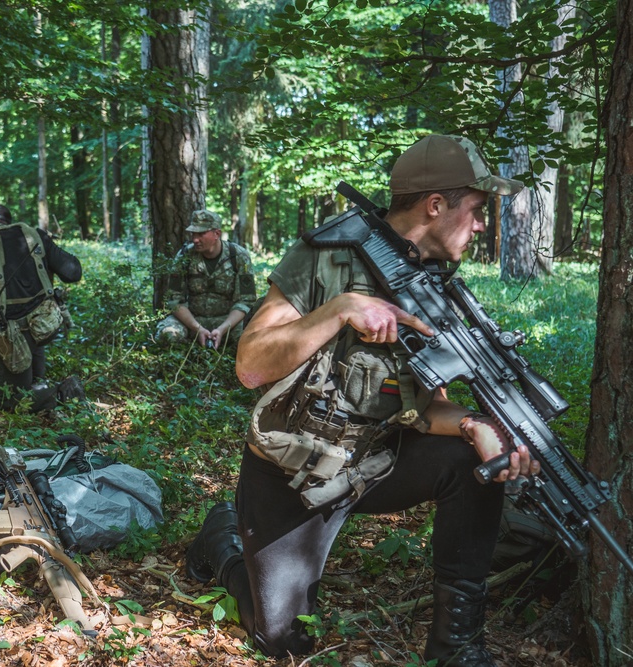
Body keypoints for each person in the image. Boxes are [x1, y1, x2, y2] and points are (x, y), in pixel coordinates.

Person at [185, 135, 540, 666]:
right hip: (295, 471)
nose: (483, 225)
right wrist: (340, 309)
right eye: (478, 209)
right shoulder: (326, 256)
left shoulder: (433, 285)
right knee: (281, 642)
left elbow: (426, 407)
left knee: (468, 460)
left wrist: (475, 426)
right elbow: (250, 364)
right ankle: (221, 539)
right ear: (435, 205)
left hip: (376, 461)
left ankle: (457, 647)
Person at [0, 204, 83, 411]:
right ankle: (40, 387)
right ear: (7, 222)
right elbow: (73, 273)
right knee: (32, 380)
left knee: (7, 401)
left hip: (10, 335)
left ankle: (65, 393)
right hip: (44, 326)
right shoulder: (34, 236)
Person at [157, 209, 257, 350]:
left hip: (228, 321)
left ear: (217, 234)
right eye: (193, 234)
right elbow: (175, 301)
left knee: (251, 339)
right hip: (192, 320)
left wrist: (222, 329)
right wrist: (197, 328)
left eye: (201, 234)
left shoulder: (238, 256)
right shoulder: (184, 256)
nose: (195, 239)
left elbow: (245, 301)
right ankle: (187, 354)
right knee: (167, 335)